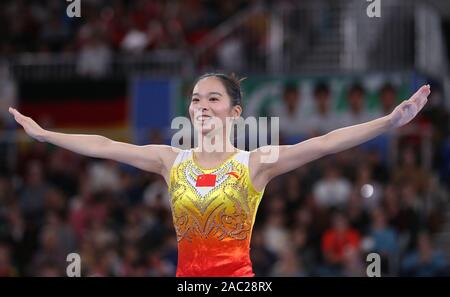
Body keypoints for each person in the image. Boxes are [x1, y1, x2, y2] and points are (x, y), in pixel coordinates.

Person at [8, 73, 430, 277]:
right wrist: (45, 136)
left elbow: (324, 143)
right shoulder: (170, 161)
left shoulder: (255, 163)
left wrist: (388, 122)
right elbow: (104, 145)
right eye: (195, 99)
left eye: (213, 98)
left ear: (235, 111)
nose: (202, 105)